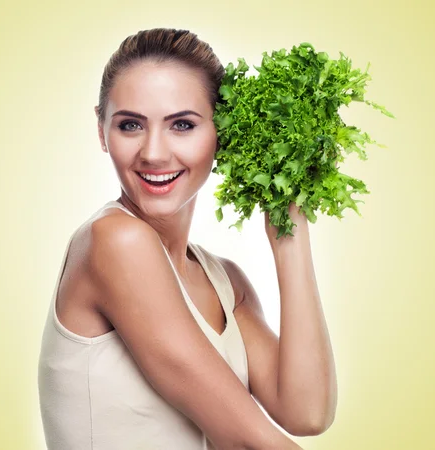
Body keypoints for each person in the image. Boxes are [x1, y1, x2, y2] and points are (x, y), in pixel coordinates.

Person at [38, 28, 336, 450]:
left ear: (223, 133)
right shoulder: (114, 241)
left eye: (182, 124)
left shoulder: (224, 282)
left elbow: (307, 412)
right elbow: (248, 441)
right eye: (130, 125)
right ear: (102, 132)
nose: (154, 153)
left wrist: (289, 229)